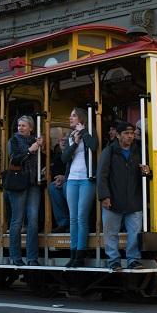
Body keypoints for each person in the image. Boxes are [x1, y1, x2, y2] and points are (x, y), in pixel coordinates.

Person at [98, 121, 151, 270]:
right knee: (111, 234)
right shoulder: (109, 151)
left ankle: (133, 260)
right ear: (118, 135)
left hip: (134, 200)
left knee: (134, 234)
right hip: (112, 201)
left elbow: (147, 174)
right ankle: (114, 261)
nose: (130, 136)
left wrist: (148, 172)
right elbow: (101, 175)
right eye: (126, 134)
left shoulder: (140, 151)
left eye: (132, 134)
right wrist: (104, 197)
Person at [61, 107, 98, 267]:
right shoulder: (71, 136)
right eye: (70, 115)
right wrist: (74, 143)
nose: (70, 118)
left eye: (73, 115)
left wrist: (83, 132)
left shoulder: (89, 133)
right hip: (72, 179)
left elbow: (94, 146)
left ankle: (80, 254)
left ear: (81, 119)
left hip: (86, 179)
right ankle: (73, 253)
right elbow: (64, 158)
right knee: (73, 218)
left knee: (82, 217)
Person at [6, 115, 43, 266]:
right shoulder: (13, 140)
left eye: (23, 125)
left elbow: (44, 158)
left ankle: (32, 258)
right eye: (19, 125)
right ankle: (15, 257)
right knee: (17, 220)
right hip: (18, 183)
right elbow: (14, 158)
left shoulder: (37, 141)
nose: (20, 128)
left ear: (31, 128)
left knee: (33, 221)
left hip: (34, 183)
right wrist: (30, 150)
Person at [48, 135, 69, 233]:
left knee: (66, 189)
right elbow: (53, 169)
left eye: (65, 140)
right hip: (59, 182)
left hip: (71, 181)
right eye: (61, 140)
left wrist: (65, 178)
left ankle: (72, 222)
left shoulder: (73, 153)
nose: (63, 142)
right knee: (52, 187)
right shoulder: (56, 156)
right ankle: (62, 223)